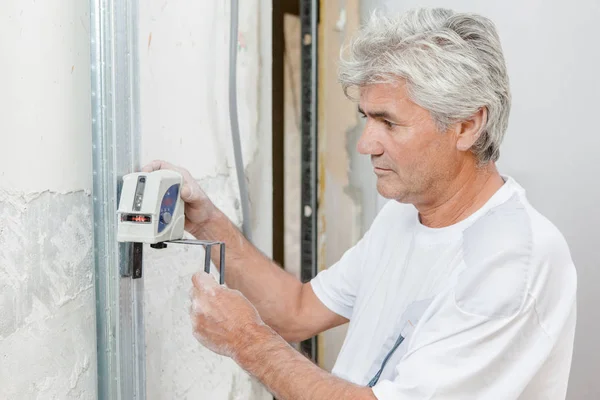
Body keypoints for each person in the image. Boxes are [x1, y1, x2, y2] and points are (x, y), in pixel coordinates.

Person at [143, 8, 577, 400]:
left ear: (467, 125)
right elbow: (297, 310)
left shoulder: (514, 264)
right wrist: (208, 222)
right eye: (366, 119)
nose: (367, 144)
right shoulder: (406, 214)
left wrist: (247, 341)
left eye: (389, 122)